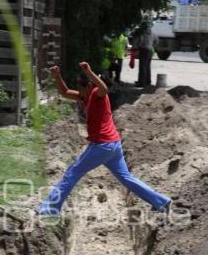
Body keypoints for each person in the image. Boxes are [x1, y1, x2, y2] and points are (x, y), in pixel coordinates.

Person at [36, 62, 171, 216]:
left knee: (72, 172)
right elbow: (65, 92)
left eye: (81, 89)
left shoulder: (96, 94)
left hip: (102, 145)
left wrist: (90, 72)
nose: (79, 93)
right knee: (127, 179)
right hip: (114, 145)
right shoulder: (84, 96)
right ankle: (161, 201)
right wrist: (57, 76)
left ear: (88, 86)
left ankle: (49, 209)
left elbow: (104, 88)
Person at [133, 20, 158, 87]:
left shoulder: (141, 33)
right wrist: (152, 46)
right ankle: (148, 81)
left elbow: (139, 41)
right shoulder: (153, 33)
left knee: (142, 67)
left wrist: (136, 48)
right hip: (150, 50)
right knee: (147, 66)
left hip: (143, 50)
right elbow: (157, 41)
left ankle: (141, 83)